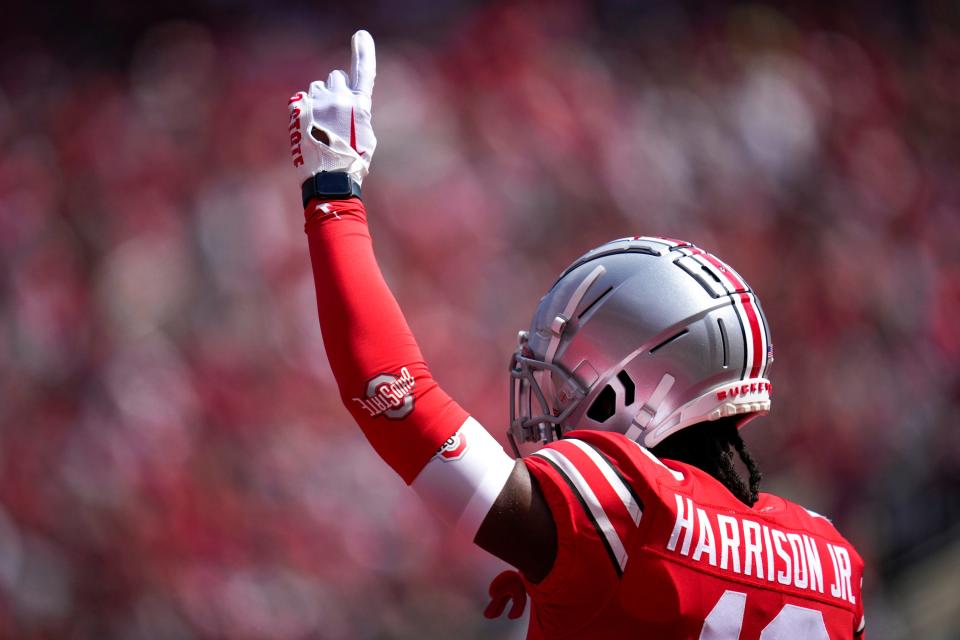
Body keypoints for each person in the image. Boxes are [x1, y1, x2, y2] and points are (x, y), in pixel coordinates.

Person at [288, 30, 866, 639]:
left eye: (568, 381)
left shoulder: (631, 511)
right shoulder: (833, 559)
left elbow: (395, 400)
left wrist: (333, 194)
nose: (550, 407)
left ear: (629, 389)